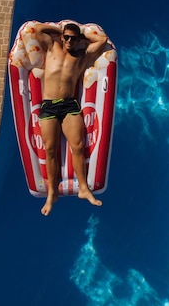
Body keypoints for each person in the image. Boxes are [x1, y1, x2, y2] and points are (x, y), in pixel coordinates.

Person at [34, 21, 108, 216]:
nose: (68, 40)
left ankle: (83, 189)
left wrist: (82, 34)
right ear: (61, 37)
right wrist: (61, 29)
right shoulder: (52, 47)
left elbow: (102, 39)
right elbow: (39, 30)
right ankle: (52, 193)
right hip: (49, 105)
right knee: (50, 149)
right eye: (66, 37)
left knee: (77, 145)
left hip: (69, 105)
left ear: (77, 40)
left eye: (72, 38)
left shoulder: (81, 56)